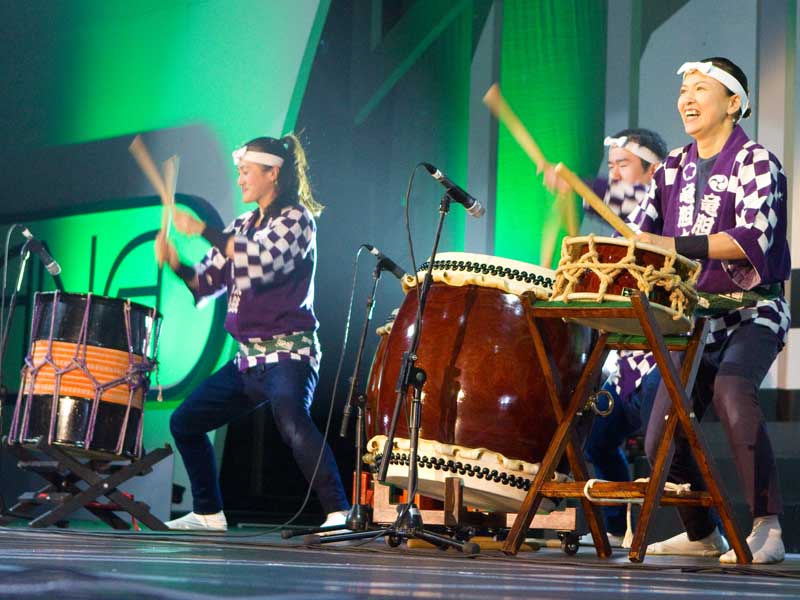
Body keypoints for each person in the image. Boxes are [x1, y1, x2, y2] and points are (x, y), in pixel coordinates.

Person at [630, 57, 790, 564]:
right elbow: (640, 233)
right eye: (683, 90)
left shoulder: (758, 163)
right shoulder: (671, 168)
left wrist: (669, 242)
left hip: (751, 311)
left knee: (733, 392)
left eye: (701, 88)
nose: (687, 99)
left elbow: (750, 239)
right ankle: (702, 531)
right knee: (658, 432)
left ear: (734, 103)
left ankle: (768, 526)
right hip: (692, 317)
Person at [155, 134, 351, 531]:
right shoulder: (242, 224)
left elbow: (261, 262)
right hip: (249, 361)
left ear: (272, 173)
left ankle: (339, 512)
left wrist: (203, 230)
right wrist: (177, 264)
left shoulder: (296, 219)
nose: (240, 180)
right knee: (185, 422)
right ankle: (209, 512)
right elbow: (205, 283)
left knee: (292, 421)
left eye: (246, 172)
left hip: (289, 355)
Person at [546, 129, 668, 548]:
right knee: (595, 441)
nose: (616, 175)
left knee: (667, 447)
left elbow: (626, 196)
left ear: (653, 171)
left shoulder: (663, 208)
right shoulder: (622, 232)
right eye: (611, 167)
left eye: (624, 166)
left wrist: (580, 184)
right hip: (626, 361)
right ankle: (616, 526)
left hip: (662, 357)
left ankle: (703, 529)